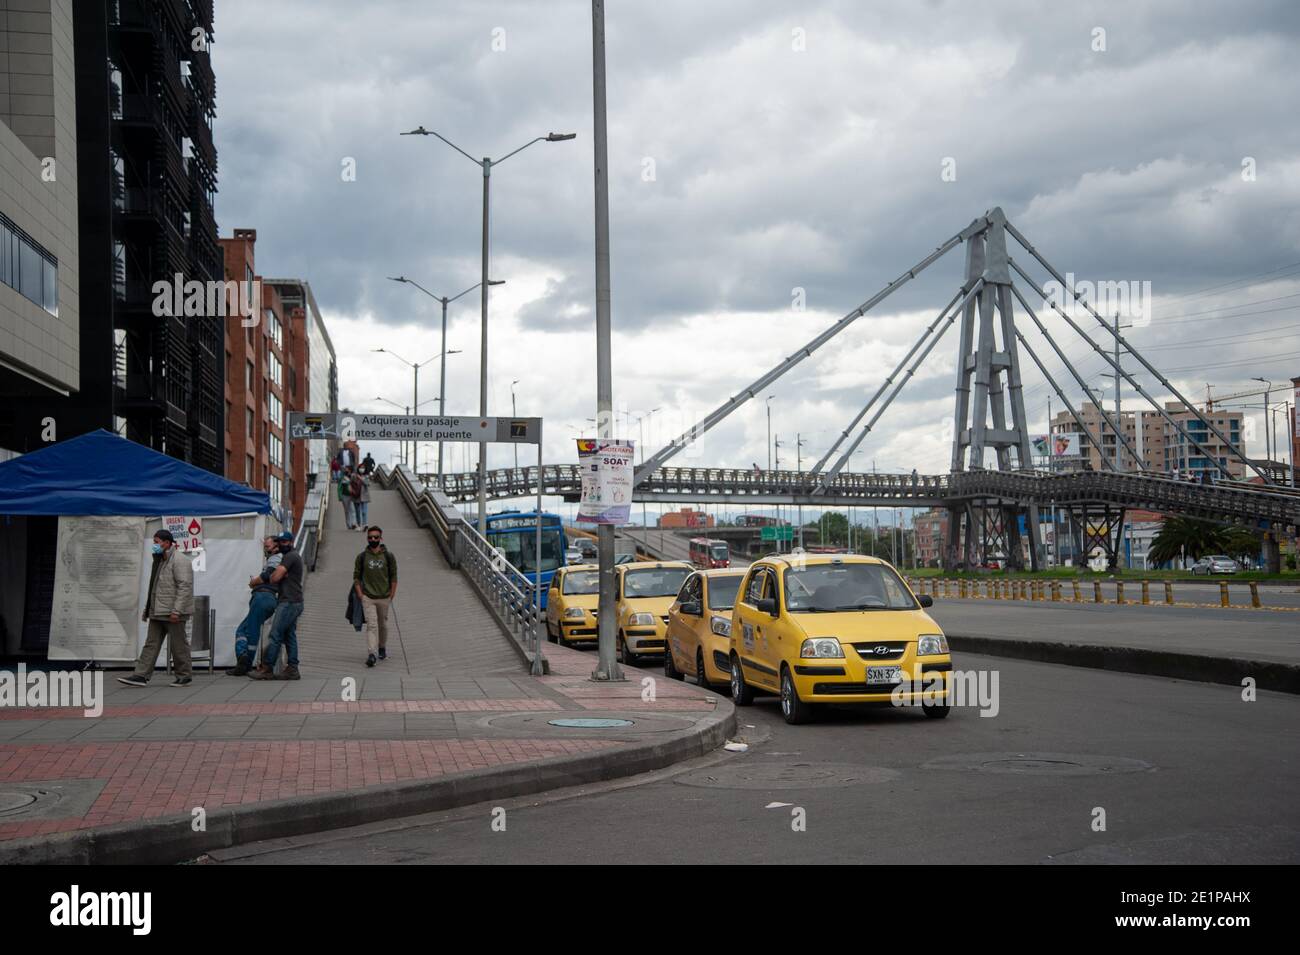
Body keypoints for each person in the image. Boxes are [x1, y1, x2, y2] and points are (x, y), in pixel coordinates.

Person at [118, 529, 194, 687]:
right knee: (151, 644)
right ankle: (141, 675)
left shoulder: (180, 560)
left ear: (167, 543)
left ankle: (184, 675)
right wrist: (148, 610)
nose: (154, 545)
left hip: (173, 612)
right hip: (158, 611)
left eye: (157, 542)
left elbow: (185, 586)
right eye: (154, 542)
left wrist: (177, 610)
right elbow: (154, 586)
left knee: (178, 645)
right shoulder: (159, 559)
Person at [250, 531, 304, 680]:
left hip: (289, 602)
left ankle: (267, 668)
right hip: (294, 601)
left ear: (291, 542)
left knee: (275, 634)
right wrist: (278, 574)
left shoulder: (289, 557)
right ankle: (292, 668)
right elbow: (276, 576)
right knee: (289, 635)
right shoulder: (290, 556)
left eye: (285, 542)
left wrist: (278, 575)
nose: (282, 544)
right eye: (280, 542)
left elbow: (274, 578)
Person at [227, 535, 281, 676]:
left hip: (263, 597)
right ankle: (245, 661)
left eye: (268, 547)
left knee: (245, 631)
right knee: (249, 629)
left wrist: (254, 582)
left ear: (276, 546)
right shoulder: (276, 558)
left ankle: (244, 662)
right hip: (267, 598)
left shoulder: (276, 558)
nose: (266, 549)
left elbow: (267, 575)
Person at [354, 526, 398, 667]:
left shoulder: (388, 556)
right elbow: (356, 577)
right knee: (372, 625)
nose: (373, 539)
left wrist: (392, 594)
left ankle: (382, 647)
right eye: (370, 537)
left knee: (383, 625)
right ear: (367, 538)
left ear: (381, 538)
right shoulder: (362, 557)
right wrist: (360, 594)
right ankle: (371, 654)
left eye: (376, 537)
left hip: (384, 597)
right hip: (368, 597)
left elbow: (394, 576)